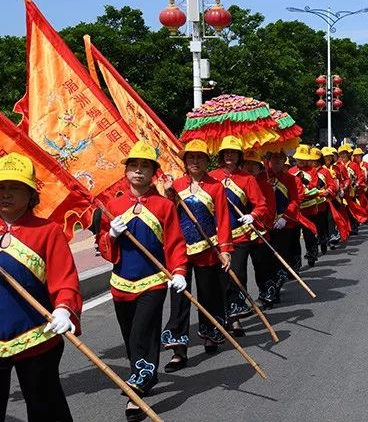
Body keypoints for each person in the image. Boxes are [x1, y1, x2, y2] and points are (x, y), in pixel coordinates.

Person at [97, 142, 188, 420]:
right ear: (126, 171)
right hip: (121, 282)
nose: (138, 171)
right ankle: (142, 371)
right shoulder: (113, 205)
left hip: (153, 281)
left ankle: (140, 382)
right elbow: (103, 249)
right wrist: (110, 235)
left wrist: (180, 271)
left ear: (153, 173)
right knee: (129, 336)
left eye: (145, 166)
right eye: (134, 166)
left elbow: (174, 242)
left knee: (143, 332)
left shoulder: (163, 205)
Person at [0, 153, 82, 422]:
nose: (6, 194)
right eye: (1, 188)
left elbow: (65, 279)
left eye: (15, 188)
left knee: (45, 406)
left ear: (31, 194)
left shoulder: (48, 231)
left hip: (36, 333)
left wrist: (63, 309)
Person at [161, 140, 232, 372]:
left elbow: (222, 219)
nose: (195, 162)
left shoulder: (215, 186)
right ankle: (179, 350)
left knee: (208, 295)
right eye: (191, 157)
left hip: (207, 248)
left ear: (206, 161)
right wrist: (168, 195)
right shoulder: (176, 186)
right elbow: (166, 216)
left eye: (200, 157)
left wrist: (224, 249)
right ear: (185, 161)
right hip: (179, 251)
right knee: (179, 299)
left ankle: (211, 333)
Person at [208, 136, 269, 336]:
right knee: (217, 280)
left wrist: (252, 216)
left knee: (236, 276)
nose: (229, 156)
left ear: (239, 156)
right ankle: (220, 316)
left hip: (238, 236)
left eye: (233, 153)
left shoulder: (247, 179)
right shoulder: (211, 177)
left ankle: (234, 318)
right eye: (226, 153)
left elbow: (261, 205)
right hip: (213, 237)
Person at [239, 150, 279, 308]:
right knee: (240, 269)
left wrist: (258, 220)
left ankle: (267, 293)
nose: (249, 168)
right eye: (246, 164)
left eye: (253, 165)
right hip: (239, 233)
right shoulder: (237, 183)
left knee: (262, 265)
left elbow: (270, 209)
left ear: (259, 167)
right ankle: (240, 302)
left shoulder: (265, 185)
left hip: (259, 231)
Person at [267, 149, 305, 299]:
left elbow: (295, 201)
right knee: (266, 259)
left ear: (284, 161)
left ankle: (275, 288)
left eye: (279, 158)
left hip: (284, 225)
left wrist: (285, 218)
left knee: (280, 257)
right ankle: (268, 287)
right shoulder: (262, 177)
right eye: (273, 157)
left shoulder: (290, 179)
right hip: (266, 225)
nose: (276, 161)